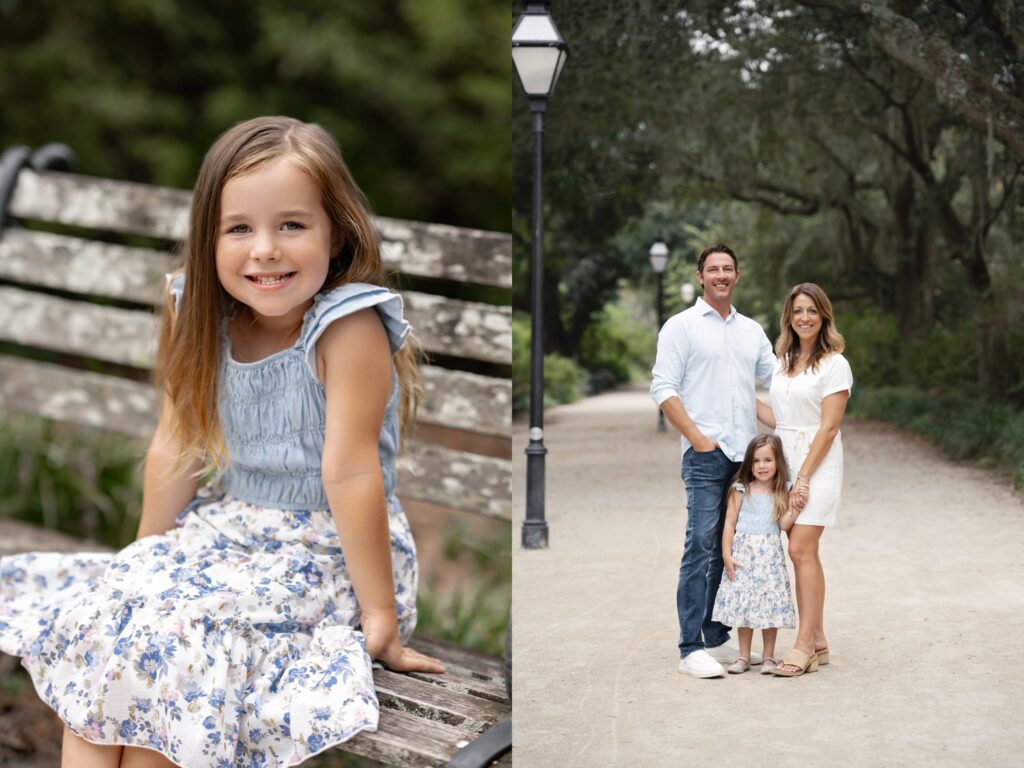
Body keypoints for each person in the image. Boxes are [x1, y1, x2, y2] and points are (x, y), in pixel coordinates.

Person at [0, 116, 444, 768]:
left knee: (180, 655)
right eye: (239, 228)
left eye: (292, 225)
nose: (265, 248)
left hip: (325, 550)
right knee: (109, 629)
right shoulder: (199, 310)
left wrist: (381, 614)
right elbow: (177, 442)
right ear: (209, 239)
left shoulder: (347, 328)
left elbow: (349, 472)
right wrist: (144, 563)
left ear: (336, 232)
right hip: (225, 536)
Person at [650, 244, 776, 679]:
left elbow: (774, 383)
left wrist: (790, 425)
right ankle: (690, 647)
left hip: (746, 459)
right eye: (713, 269)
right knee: (701, 546)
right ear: (701, 276)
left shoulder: (752, 331)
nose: (721, 275)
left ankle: (717, 637)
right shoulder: (680, 327)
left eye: (728, 269)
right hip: (706, 457)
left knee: (733, 550)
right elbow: (664, 388)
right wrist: (697, 438)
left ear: (737, 276)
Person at [756, 282, 852, 678]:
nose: (805, 317)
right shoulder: (783, 362)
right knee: (804, 552)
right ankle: (819, 638)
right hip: (787, 459)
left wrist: (804, 478)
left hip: (819, 462)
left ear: (823, 315)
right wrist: (734, 395)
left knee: (799, 548)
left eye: (812, 310)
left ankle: (802, 645)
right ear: (789, 317)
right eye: (798, 310)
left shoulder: (835, 364)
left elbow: (828, 430)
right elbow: (781, 419)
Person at [711, 434, 797, 675]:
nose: (762, 466)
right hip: (744, 556)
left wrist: (795, 509)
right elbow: (729, 525)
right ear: (749, 463)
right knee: (745, 606)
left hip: (769, 559)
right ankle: (743, 656)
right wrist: (726, 555)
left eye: (768, 460)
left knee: (768, 606)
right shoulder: (740, 490)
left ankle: (769, 656)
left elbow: (783, 525)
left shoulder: (782, 491)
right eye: (756, 461)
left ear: (778, 462)